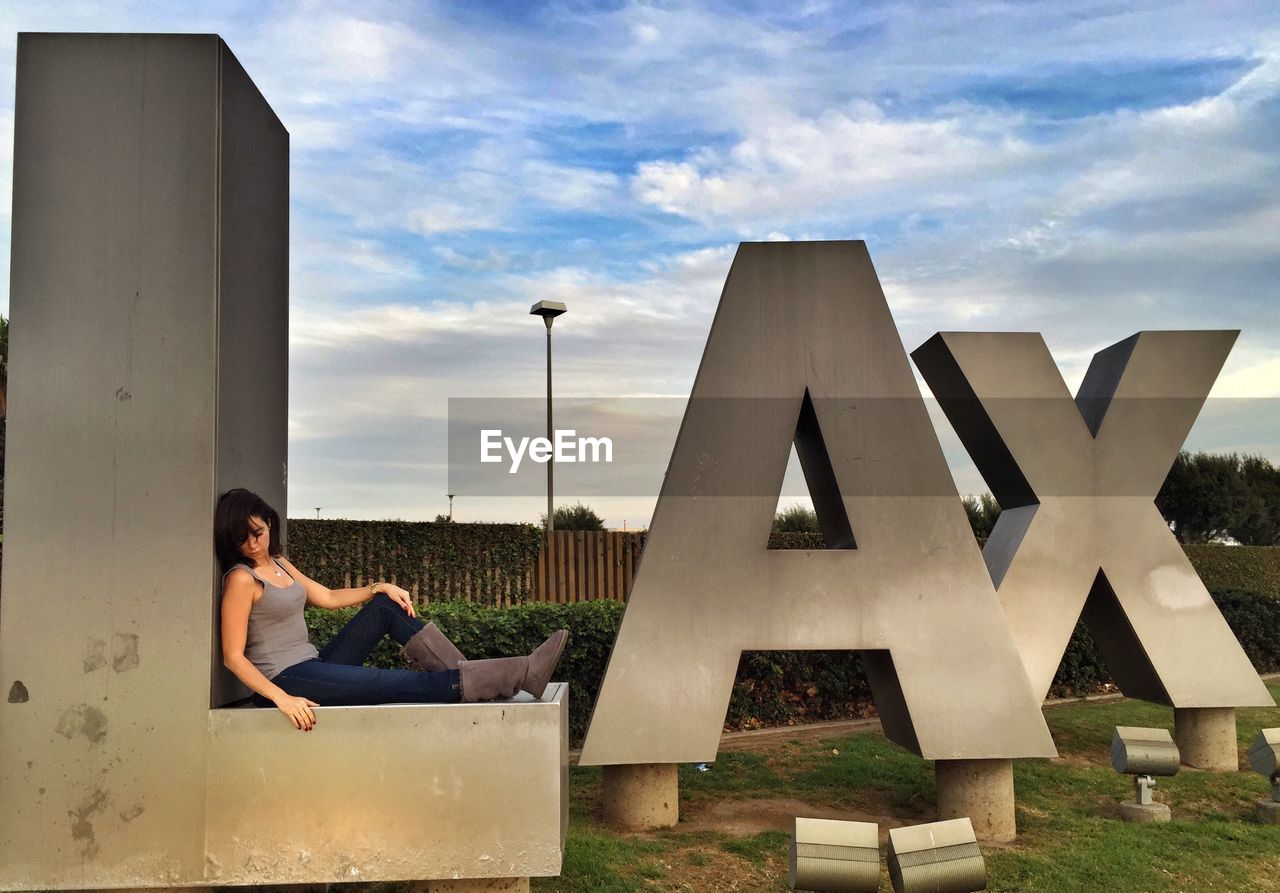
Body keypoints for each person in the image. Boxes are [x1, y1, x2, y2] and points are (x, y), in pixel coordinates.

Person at [216, 488, 567, 731]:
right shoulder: (241, 579)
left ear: (269, 523)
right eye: (242, 538)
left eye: (257, 532)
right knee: (392, 682)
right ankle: (519, 673)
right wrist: (282, 699)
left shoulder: (279, 562)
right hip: (285, 678)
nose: (252, 543)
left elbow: (325, 597)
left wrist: (377, 587)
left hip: (313, 664)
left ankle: (475, 680)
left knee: (385, 606)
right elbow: (233, 656)